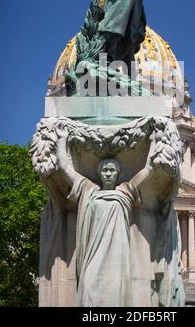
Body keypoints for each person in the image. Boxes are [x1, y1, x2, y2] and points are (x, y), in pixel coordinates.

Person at [56, 128, 155, 307]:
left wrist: (155, 140)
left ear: (117, 174)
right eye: (104, 170)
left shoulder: (125, 192)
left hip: (117, 259)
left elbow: (149, 168)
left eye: (111, 170)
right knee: (87, 291)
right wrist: (62, 139)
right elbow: (63, 167)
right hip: (93, 255)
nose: (108, 173)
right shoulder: (88, 190)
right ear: (99, 173)